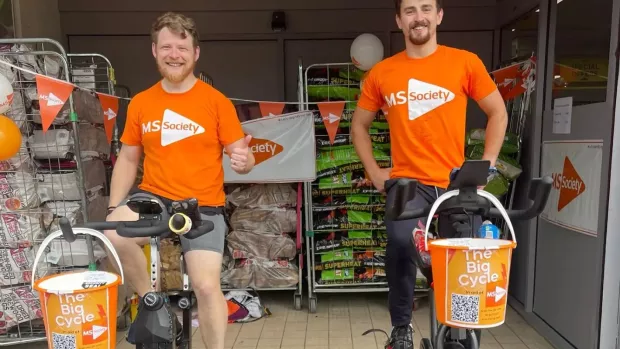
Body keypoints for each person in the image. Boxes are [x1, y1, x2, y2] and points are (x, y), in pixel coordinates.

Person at [350, 0, 508, 348]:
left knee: (464, 261)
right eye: (409, 10)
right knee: (402, 244)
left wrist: (488, 165)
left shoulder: (464, 62)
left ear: (438, 15)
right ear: (399, 20)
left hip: (454, 183)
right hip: (407, 183)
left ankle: (459, 330)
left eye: (425, 8)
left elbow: (497, 112)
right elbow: (358, 127)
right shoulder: (383, 72)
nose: (418, 17)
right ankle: (402, 328)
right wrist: (375, 173)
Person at [104, 12, 255, 349]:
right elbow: (129, 158)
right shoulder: (142, 102)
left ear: (196, 53)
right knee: (114, 233)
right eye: (167, 47)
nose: (175, 54)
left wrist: (245, 161)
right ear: (154, 51)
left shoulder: (216, 102)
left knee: (205, 285)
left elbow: (242, 156)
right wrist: (115, 206)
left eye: (182, 47)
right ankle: (153, 306)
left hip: (204, 204)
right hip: (154, 196)